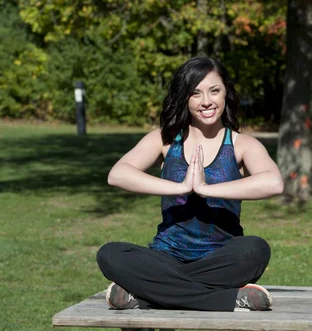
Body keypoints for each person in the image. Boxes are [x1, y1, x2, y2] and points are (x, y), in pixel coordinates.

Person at [96, 56, 284, 312]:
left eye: (214, 91)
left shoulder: (242, 144)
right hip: (165, 258)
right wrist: (182, 187)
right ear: (184, 98)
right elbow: (117, 174)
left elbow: (274, 182)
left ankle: (148, 296)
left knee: (256, 249)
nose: (206, 101)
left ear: (225, 93)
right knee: (110, 254)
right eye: (195, 93)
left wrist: (206, 189)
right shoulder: (163, 140)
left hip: (222, 259)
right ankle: (227, 299)